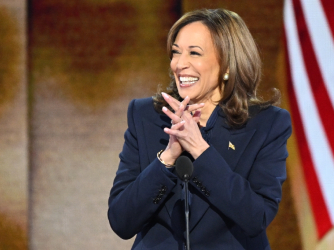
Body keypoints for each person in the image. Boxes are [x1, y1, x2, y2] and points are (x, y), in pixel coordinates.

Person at [108, 8, 292, 250]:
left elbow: (255, 217)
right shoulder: (146, 116)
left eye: (194, 53)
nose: (179, 64)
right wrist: (167, 159)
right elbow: (121, 221)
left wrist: (200, 150)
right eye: (175, 53)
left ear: (227, 63)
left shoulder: (266, 124)